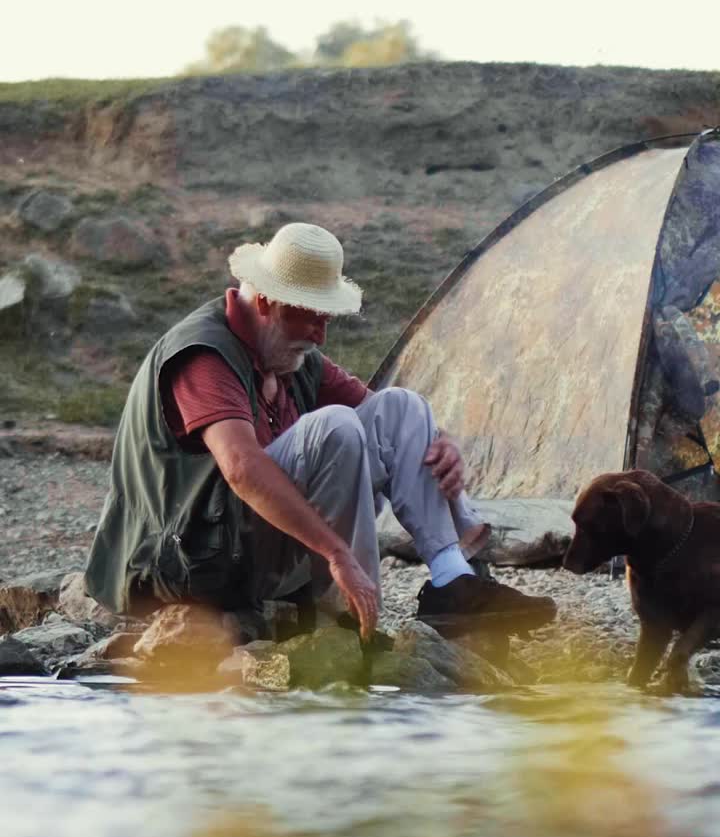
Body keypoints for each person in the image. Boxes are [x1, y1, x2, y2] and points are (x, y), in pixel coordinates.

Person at [85, 223, 555, 641]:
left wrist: (443, 442)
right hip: (191, 564)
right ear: (266, 301)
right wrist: (337, 555)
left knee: (405, 406)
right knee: (335, 427)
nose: (320, 335)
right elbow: (242, 470)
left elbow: (389, 420)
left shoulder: (288, 353)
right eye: (311, 316)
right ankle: (348, 621)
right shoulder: (203, 356)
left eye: (325, 318)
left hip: (249, 548)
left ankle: (452, 581)